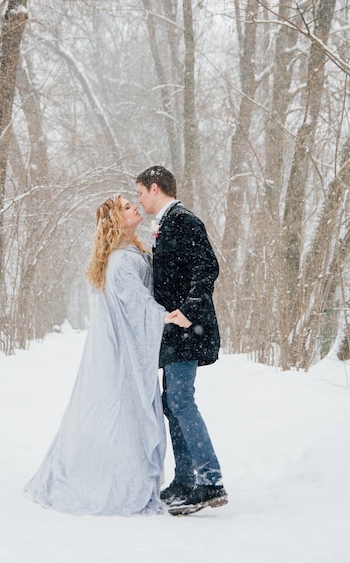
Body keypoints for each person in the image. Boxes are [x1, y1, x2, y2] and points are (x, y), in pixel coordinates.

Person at [25, 195, 173, 516]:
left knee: (125, 412)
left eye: (133, 203)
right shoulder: (121, 261)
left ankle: (118, 473)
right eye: (126, 207)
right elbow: (137, 303)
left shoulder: (130, 252)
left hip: (118, 348)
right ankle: (114, 483)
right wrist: (165, 316)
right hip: (119, 351)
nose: (134, 207)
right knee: (124, 413)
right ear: (115, 221)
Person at [136, 165, 228, 516]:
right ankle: (185, 480)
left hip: (189, 327)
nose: (139, 200)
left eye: (141, 192)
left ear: (155, 188)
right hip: (174, 332)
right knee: (171, 402)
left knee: (180, 400)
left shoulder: (184, 220)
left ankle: (210, 480)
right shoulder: (165, 222)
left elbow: (207, 267)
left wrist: (190, 310)